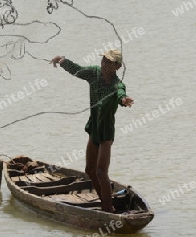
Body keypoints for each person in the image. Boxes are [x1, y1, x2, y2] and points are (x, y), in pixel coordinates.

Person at [50, 50, 134, 213]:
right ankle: (106, 202)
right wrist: (62, 60)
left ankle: (108, 208)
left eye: (109, 62)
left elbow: (120, 95)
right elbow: (77, 69)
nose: (104, 63)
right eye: (103, 60)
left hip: (106, 132)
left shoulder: (117, 85)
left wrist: (124, 100)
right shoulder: (93, 73)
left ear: (117, 67)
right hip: (93, 128)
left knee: (101, 172)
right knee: (90, 170)